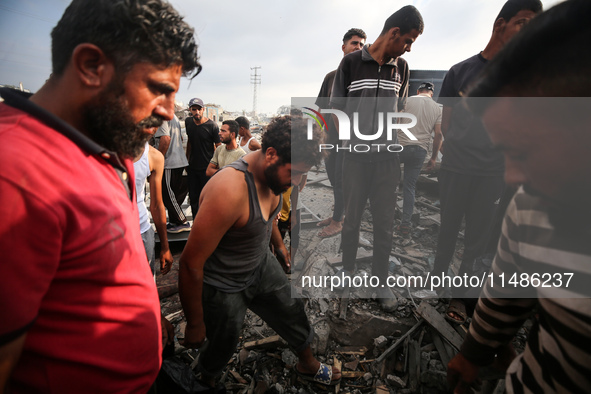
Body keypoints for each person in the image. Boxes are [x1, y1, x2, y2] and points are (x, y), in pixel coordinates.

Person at [0, 0, 200, 392]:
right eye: (159, 90)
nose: (169, 112)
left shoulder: (106, 145)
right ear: (91, 66)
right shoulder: (17, 179)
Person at [447, 1, 591, 392]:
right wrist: (474, 352)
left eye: (524, 150)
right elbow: (506, 292)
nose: (513, 176)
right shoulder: (530, 207)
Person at [178, 114, 342, 388]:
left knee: (291, 311)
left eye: (304, 173)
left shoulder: (276, 176)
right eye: (295, 172)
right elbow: (190, 263)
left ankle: (307, 363)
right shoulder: (229, 191)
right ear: (270, 154)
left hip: (260, 265)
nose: (299, 181)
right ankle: (205, 379)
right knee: (223, 342)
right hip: (224, 284)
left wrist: (278, 244)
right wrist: (194, 323)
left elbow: (268, 218)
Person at [432, 0, 542, 324]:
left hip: (492, 175)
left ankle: (461, 297)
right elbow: (447, 124)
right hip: (455, 168)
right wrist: (461, 152)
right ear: (500, 25)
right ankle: (438, 280)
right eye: (523, 24)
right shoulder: (460, 72)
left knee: (477, 239)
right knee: (447, 230)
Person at [330, 6, 423, 312]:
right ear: (394, 33)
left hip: (387, 161)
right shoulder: (351, 64)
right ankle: (347, 273)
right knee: (351, 220)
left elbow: (398, 111)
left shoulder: (403, 68)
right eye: (408, 40)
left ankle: (380, 282)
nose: (409, 47)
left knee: (384, 223)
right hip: (354, 159)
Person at [315, 27, 367, 239]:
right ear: (344, 46)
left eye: (362, 44)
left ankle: (338, 221)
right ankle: (338, 215)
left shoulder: (364, 77)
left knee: (342, 180)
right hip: (329, 138)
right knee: (334, 179)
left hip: (349, 140)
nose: (359, 47)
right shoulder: (331, 77)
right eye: (355, 43)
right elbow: (320, 108)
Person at [396, 82, 442, 238]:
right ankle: (405, 225)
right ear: (431, 93)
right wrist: (434, 158)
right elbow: (439, 135)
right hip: (419, 150)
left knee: (390, 183)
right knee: (409, 187)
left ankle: (385, 220)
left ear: (418, 91)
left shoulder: (407, 100)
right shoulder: (437, 108)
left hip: (400, 146)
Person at [134, 142, 174, 276]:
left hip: (142, 230)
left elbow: (157, 205)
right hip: (108, 233)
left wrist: (165, 246)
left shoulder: (154, 156)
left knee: (146, 285)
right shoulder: (102, 148)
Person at [155, 113, 191, 233]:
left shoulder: (160, 116)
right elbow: (180, 138)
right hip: (179, 160)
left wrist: (157, 160)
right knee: (174, 195)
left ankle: (182, 221)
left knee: (167, 195)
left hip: (169, 162)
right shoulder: (172, 115)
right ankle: (174, 222)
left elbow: (165, 139)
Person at [185, 97, 221, 218]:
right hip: (192, 168)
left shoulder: (212, 126)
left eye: (199, 109)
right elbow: (190, 141)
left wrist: (216, 166)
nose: (197, 112)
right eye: (194, 109)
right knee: (194, 199)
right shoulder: (188, 122)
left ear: (203, 109)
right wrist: (187, 160)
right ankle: (196, 225)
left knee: (207, 199)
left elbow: (219, 148)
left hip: (206, 169)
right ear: (190, 110)